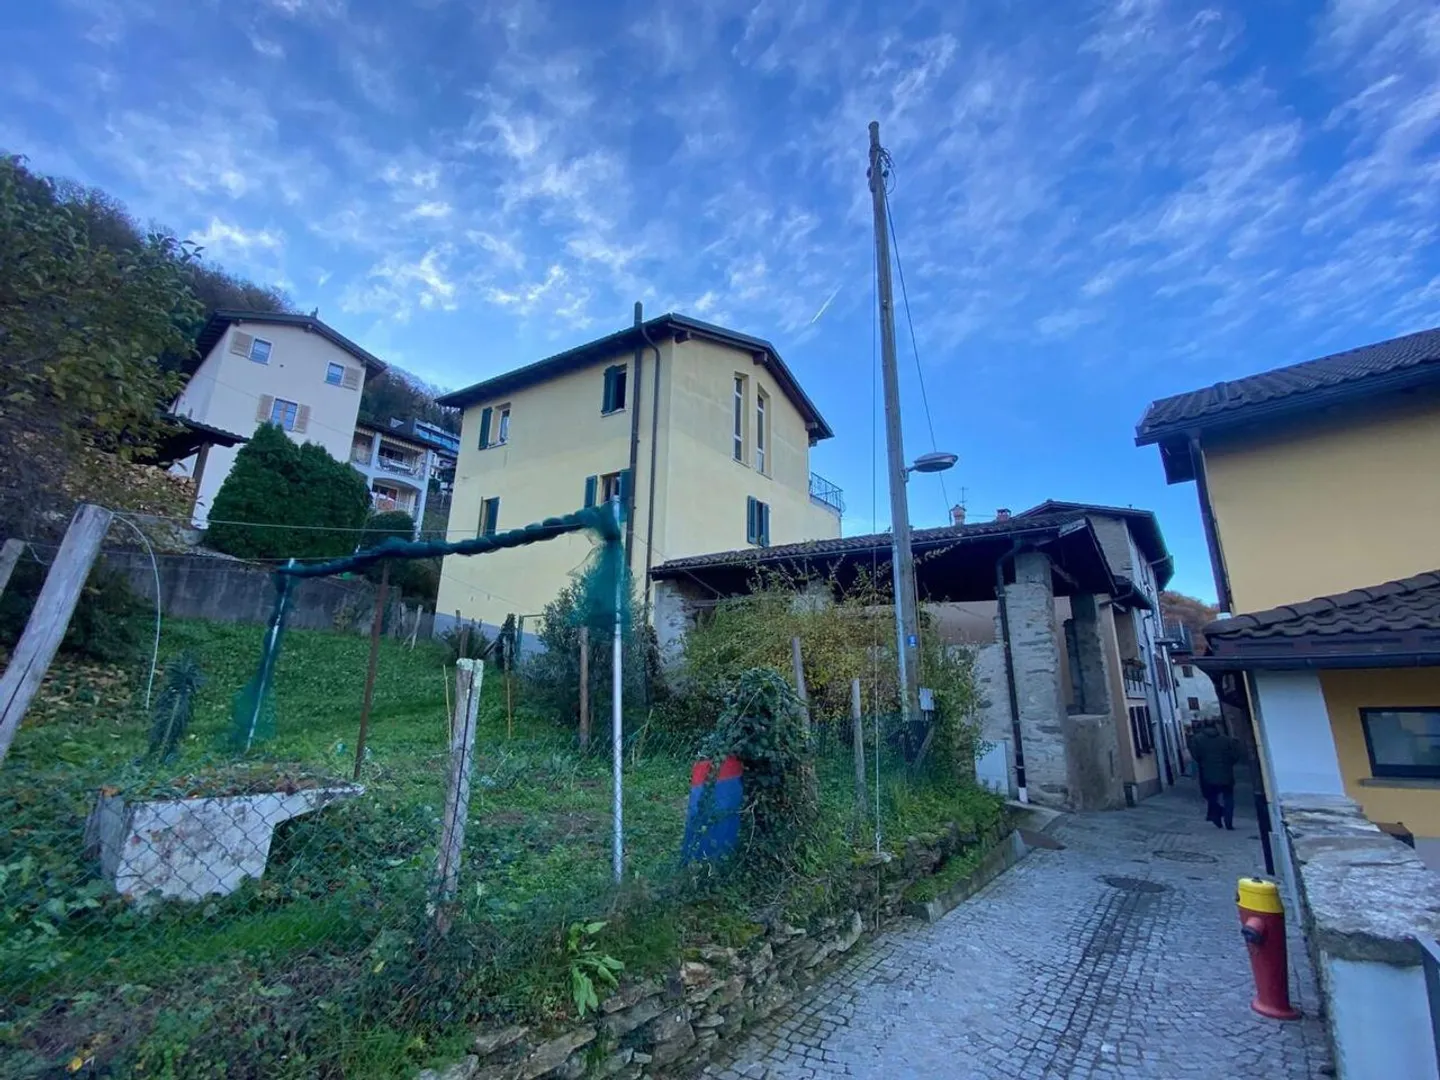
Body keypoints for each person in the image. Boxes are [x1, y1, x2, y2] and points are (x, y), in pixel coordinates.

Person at [1189, 719, 1243, 829]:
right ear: (1216, 726)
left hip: (1207, 774)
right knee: (1228, 797)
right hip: (1226, 773)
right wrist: (1229, 764)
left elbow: (1195, 755)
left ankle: (1216, 816)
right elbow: (1235, 755)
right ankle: (1229, 822)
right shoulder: (1226, 739)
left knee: (1212, 796)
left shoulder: (1197, 739)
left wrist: (1203, 762)